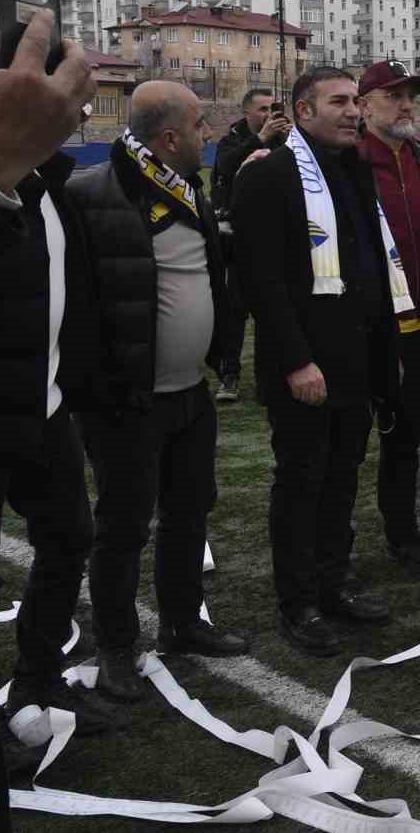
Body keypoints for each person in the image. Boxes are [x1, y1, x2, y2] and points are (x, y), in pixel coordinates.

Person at [0, 11, 129, 763]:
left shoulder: (56, 180)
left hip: (49, 405)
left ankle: (38, 682)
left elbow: (73, 292)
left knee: (69, 538)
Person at [67, 82, 250, 703]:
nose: (208, 133)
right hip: (126, 403)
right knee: (122, 528)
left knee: (188, 513)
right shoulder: (91, 195)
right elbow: (77, 306)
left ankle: (181, 622)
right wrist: (102, 387)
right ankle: (116, 645)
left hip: (188, 395)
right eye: (200, 124)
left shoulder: (186, 190)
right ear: (170, 137)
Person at [232, 67, 400, 656]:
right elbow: (262, 284)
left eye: (357, 101)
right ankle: (297, 602)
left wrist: (383, 354)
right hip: (303, 367)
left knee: (341, 480)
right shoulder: (269, 176)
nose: (354, 111)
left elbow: (371, 269)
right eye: (340, 102)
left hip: (354, 362)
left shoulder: (354, 171)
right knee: (301, 483)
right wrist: (297, 361)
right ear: (303, 112)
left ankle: (335, 581)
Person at [358, 60, 420, 574]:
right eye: (393, 95)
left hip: (418, 324)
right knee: (347, 443)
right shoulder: (345, 159)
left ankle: (403, 535)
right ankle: (335, 545)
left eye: (410, 95)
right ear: (365, 103)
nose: (405, 104)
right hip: (365, 328)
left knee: (405, 440)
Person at [210, 88, 291, 402]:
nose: (269, 114)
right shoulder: (232, 139)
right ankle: (229, 375)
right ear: (247, 113)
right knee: (234, 311)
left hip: (276, 236)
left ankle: (272, 376)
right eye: (262, 109)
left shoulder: (285, 140)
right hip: (237, 238)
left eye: (273, 107)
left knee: (276, 306)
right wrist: (260, 140)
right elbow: (226, 166)